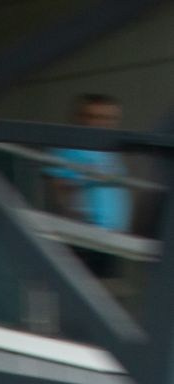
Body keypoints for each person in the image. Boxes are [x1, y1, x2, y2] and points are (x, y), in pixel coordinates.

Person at [49, 94, 132, 283]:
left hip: (112, 238)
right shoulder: (70, 148)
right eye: (93, 117)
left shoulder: (110, 152)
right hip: (84, 237)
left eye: (107, 119)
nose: (100, 124)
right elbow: (60, 189)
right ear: (80, 118)